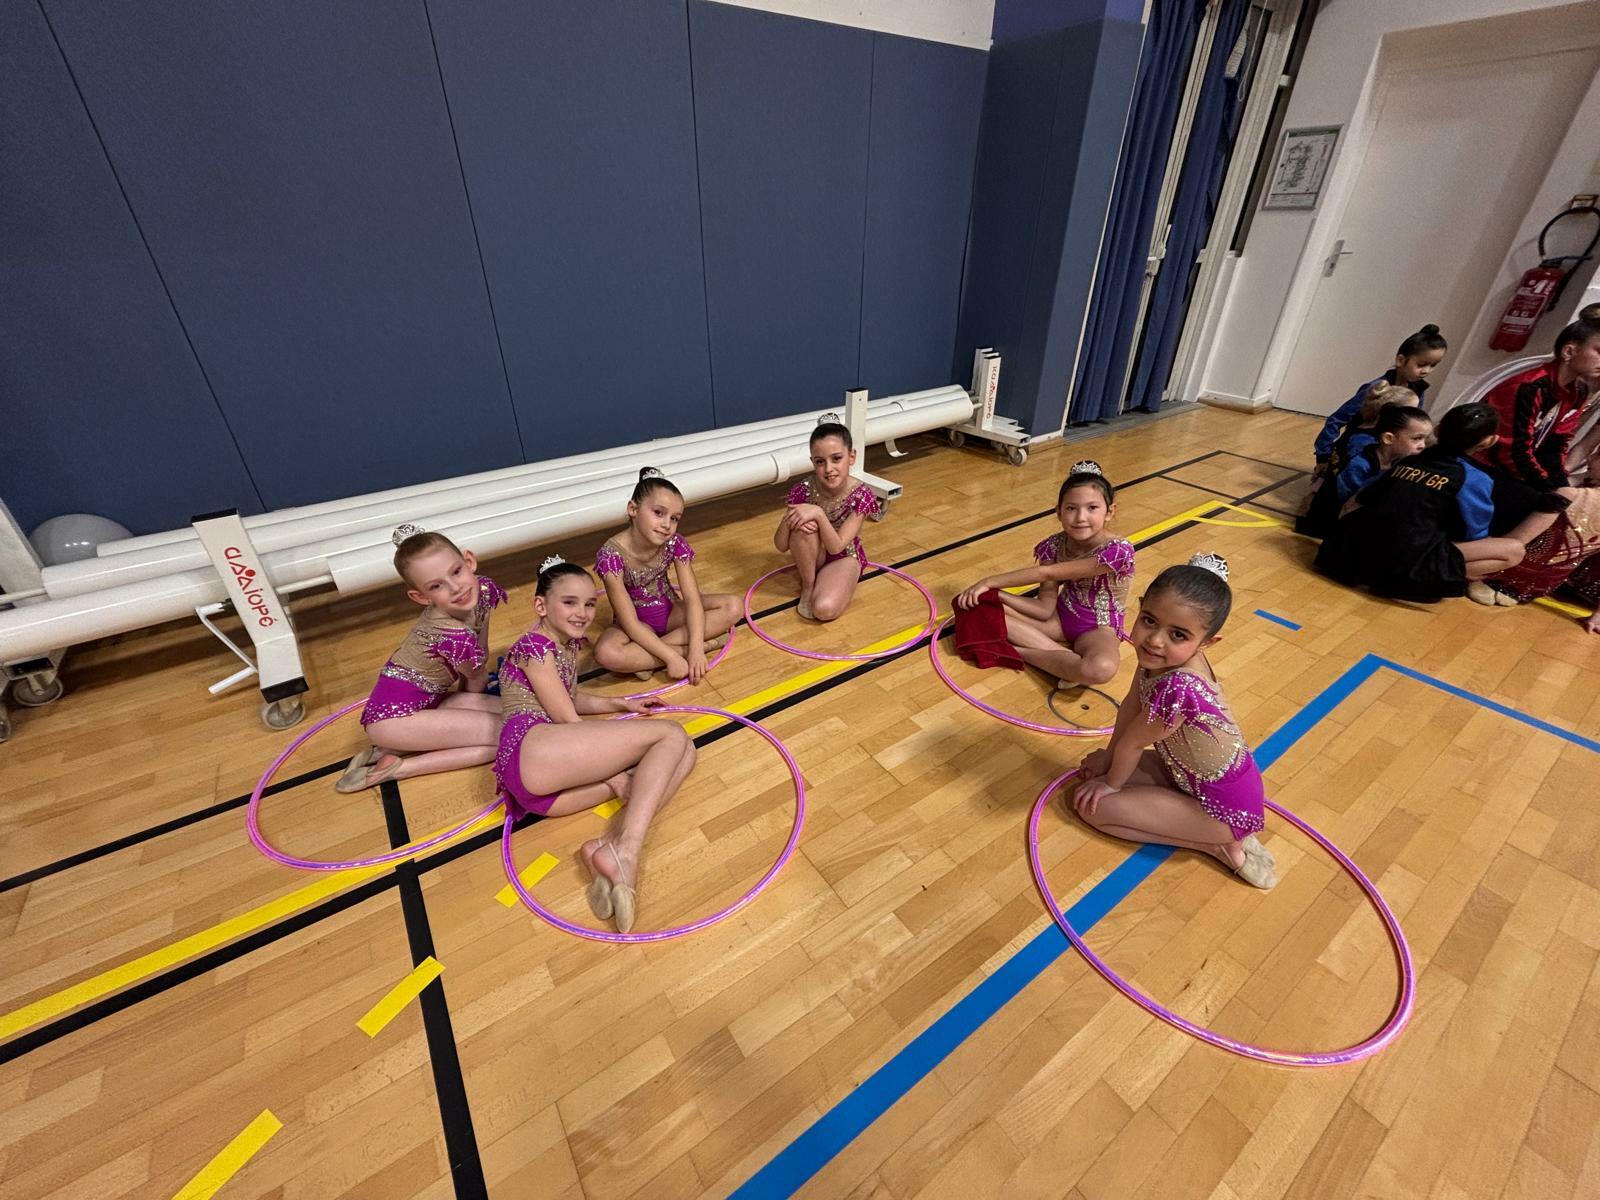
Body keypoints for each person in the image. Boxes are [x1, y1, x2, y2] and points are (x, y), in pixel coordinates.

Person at [494, 558, 697, 933]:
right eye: (569, 602)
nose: (583, 612)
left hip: (547, 792)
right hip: (532, 751)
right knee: (670, 735)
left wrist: (620, 703)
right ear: (541, 606)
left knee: (685, 752)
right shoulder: (533, 647)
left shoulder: (563, 646)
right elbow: (567, 720)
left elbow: (569, 698)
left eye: (589, 603)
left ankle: (606, 847)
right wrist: (616, 770)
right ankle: (627, 851)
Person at [1072, 554, 1276, 889]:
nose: (1155, 640)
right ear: (1140, 607)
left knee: (1094, 808)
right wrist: (1108, 761)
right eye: (1149, 621)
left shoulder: (1179, 687)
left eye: (1178, 635)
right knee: (1094, 772)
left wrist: (1111, 784)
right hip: (1186, 774)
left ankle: (1215, 844)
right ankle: (1206, 834)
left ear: (1206, 644)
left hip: (1223, 810)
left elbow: (1134, 742)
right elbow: (1130, 707)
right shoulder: (1156, 658)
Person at [337, 527, 506, 793]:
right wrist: (473, 713)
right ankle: (399, 768)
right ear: (421, 597)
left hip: (430, 701)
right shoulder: (449, 631)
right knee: (508, 735)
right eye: (436, 586)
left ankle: (393, 747)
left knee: (516, 714)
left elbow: (480, 656)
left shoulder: (483, 590)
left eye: (456, 572)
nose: (456, 588)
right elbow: (475, 677)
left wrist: (471, 711)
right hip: (393, 718)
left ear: (469, 561)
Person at [1315, 404, 1530, 602]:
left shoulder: (1407, 460)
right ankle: (1430, 578)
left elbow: (1361, 498)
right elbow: (1475, 533)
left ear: (1437, 429)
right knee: (1514, 550)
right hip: (1401, 567)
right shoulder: (1474, 478)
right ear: (1489, 441)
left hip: (1348, 554)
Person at [953, 461, 1132, 687]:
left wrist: (989, 581)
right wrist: (997, 594)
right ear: (1058, 511)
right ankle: (1066, 663)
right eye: (1071, 508)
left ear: (1110, 512)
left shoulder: (1118, 551)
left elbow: (1046, 573)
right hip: (1058, 620)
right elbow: (1044, 608)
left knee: (1100, 668)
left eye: (1092, 508)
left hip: (1099, 628)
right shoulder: (1054, 545)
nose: (1080, 517)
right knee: (975, 603)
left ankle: (1016, 651)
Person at [592, 468, 739, 682]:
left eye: (675, 518)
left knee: (733, 606)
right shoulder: (610, 555)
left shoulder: (674, 542)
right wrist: (672, 657)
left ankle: (646, 659)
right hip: (634, 626)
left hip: (670, 613)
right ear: (633, 509)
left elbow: (692, 599)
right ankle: (700, 646)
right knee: (606, 653)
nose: (666, 525)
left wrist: (696, 650)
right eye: (658, 513)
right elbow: (630, 622)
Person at [1475, 319, 1600, 532]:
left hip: (1516, 469)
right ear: (1569, 352)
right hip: (1482, 465)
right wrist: (1547, 487)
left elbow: (1556, 445)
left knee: (1564, 506)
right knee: (1537, 506)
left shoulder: (1577, 392)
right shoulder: (1529, 387)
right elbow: (1512, 450)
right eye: (1598, 351)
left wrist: (1559, 485)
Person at [1474, 443, 1600, 631]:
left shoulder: (1569, 494)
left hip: (1499, 572)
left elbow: (1517, 541)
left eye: (1596, 455)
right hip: (1537, 587)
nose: (1589, 457)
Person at [774, 421, 882, 621]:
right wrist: (790, 519)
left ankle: (828, 580)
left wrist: (817, 513)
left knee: (824, 609)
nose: (828, 468)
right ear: (813, 462)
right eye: (820, 462)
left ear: (851, 456)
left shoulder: (862, 494)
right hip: (815, 553)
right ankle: (808, 584)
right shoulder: (804, 489)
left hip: (844, 556)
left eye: (836, 458)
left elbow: (836, 547)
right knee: (803, 525)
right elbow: (780, 545)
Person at [1311, 324, 1447, 467]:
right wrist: (1323, 456)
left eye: (1433, 365)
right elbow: (1337, 419)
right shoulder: (1375, 388)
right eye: (1421, 364)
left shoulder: (1419, 389)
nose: (1426, 371)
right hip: (1355, 452)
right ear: (1400, 360)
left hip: (1387, 453)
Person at [1296, 388, 1424, 538]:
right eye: (1411, 411)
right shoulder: (1364, 446)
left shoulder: (1365, 434)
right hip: (1330, 518)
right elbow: (1347, 492)